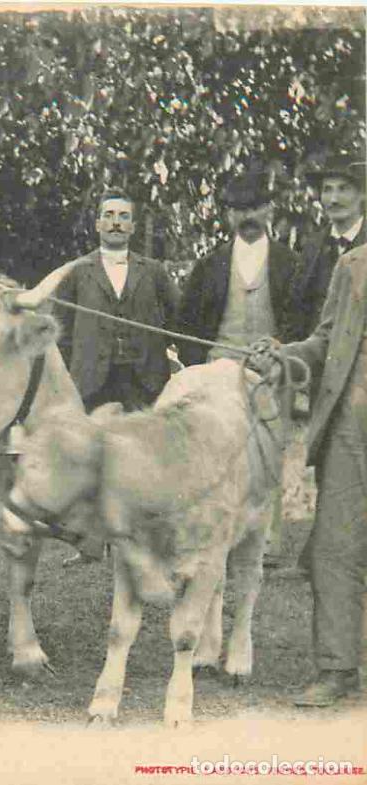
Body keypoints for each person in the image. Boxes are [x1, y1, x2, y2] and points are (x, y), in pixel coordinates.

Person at [253, 241, 367, 707]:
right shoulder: (352, 262)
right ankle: (337, 668)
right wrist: (283, 355)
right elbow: (325, 339)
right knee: (335, 547)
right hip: (350, 425)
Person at [177, 166, 303, 568]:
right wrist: (200, 367)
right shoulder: (210, 265)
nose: (246, 217)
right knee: (215, 451)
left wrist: (284, 349)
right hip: (220, 369)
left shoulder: (292, 264)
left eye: (254, 207)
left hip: (273, 369)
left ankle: (269, 539)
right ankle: (215, 535)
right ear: (227, 214)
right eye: (236, 209)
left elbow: (305, 319)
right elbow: (187, 322)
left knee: (270, 451)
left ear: (269, 209)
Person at [53, 189, 181, 413]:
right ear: (97, 224)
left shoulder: (154, 272)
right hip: (91, 388)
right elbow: (60, 335)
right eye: (109, 215)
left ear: (132, 226)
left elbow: (178, 320)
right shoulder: (76, 271)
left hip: (145, 386)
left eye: (123, 216)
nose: (116, 222)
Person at [293, 154, 366, 338]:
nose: (333, 199)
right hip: (312, 356)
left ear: (362, 194)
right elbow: (296, 312)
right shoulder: (312, 246)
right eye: (327, 190)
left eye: (343, 189)